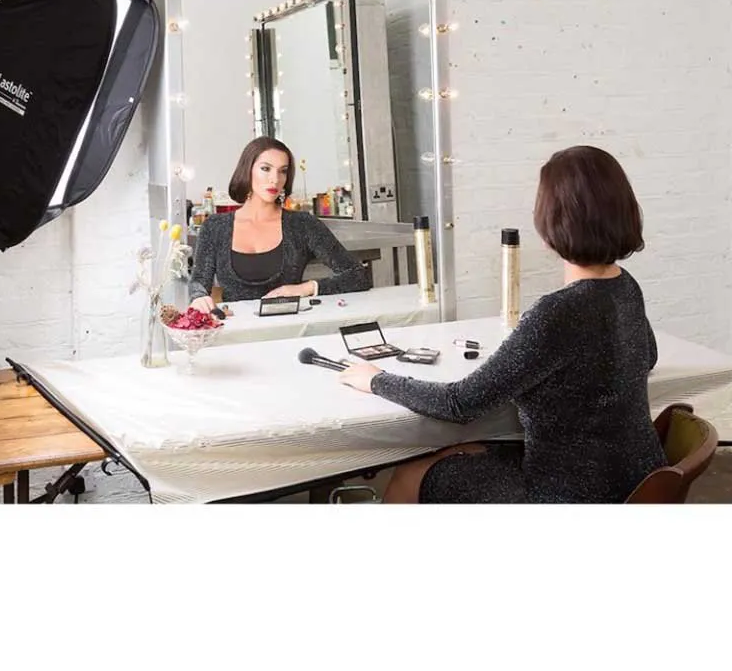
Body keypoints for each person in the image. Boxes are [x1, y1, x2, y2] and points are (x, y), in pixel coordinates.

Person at [339, 145, 667, 503]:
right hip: (641, 481)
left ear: (551, 225)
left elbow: (458, 404)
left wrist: (376, 379)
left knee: (410, 474)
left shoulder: (557, 312)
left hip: (566, 495)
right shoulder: (626, 286)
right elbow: (646, 356)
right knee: (473, 449)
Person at [188, 136, 371, 311]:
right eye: (265, 169)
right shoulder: (215, 227)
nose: (275, 179)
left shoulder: (302, 224)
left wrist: (304, 288)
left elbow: (357, 275)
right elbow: (198, 283)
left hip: (292, 326)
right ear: (247, 170)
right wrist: (199, 298)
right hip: (237, 328)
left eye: (283, 171)